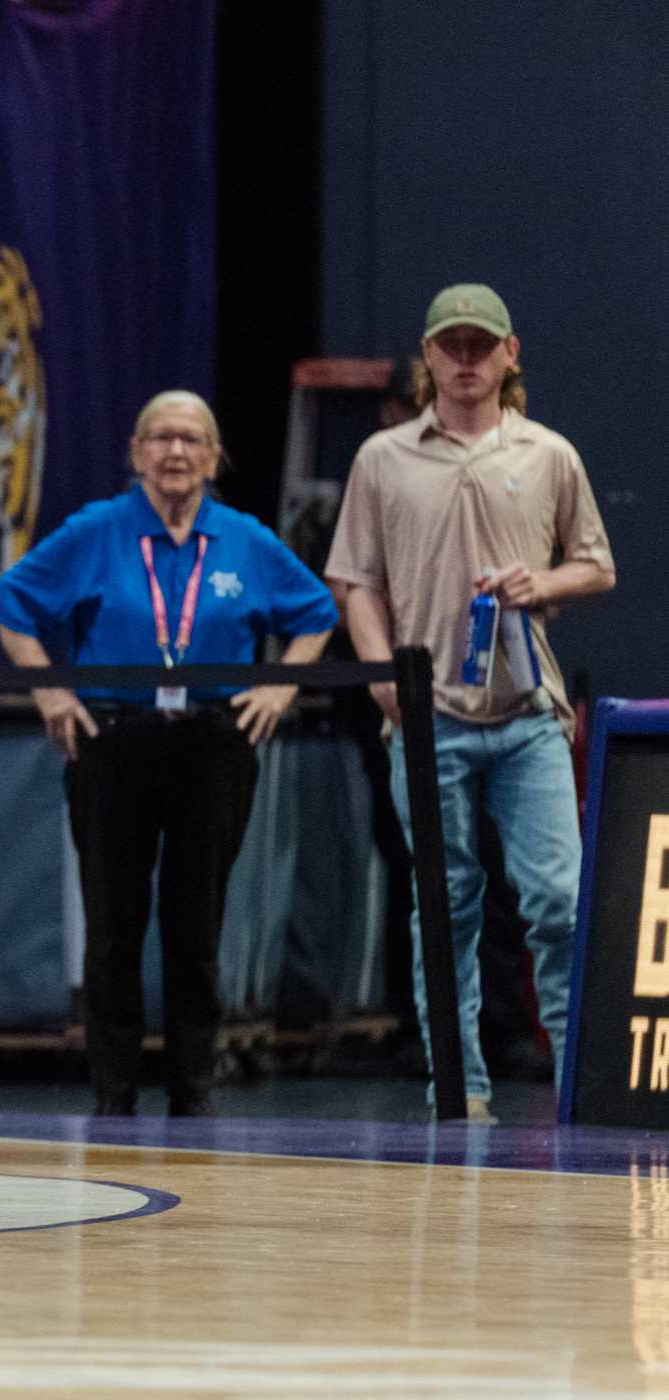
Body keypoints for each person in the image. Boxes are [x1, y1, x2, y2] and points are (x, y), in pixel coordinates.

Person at [0, 390, 338, 1117]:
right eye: (161, 438)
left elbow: (317, 615)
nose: (176, 452)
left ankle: (192, 1092)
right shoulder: (98, 531)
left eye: (192, 440)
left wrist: (278, 690)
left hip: (214, 742)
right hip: (114, 739)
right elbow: (9, 607)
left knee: (196, 920)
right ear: (137, 452)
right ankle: (113, 1094)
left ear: (214, 457)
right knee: (113, 923)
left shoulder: (244, 539)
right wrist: (51, 694)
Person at [325, 284, 615, 1123]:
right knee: (443, 906)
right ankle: (462, 1088)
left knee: (559, 899)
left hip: (526, 711)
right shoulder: (384, 457)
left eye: (479, 346)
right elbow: (356, 579)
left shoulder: (547, 453)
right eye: (448, 346)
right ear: (427, 357)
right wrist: (384, 677)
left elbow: (596, 562)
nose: (463, 360)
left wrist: (544, 580)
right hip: (430, 719)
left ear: (509, 354)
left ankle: (573, 1079)